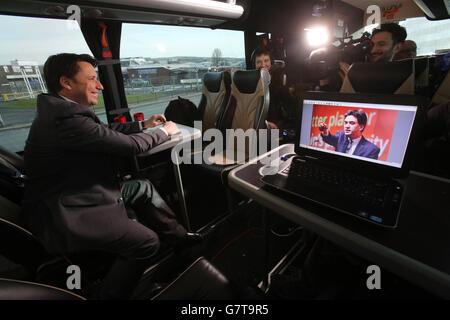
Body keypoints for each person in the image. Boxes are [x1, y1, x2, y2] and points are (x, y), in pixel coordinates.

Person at [22, 53, 202, 299]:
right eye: (92, 79)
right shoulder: (65, 119)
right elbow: (130, 147)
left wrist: (142, 125)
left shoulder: (61, 110)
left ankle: (180, 239)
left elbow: (102, 131)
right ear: (66, 82)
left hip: (78, 192)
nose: (100, 85)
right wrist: (165, 132)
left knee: (143, 187)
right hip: (72, 210)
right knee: (147, 244)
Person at [253, 47, 290, 130]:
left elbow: (287, 110)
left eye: (266, 61)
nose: (263, 65)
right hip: (257, 125)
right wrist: (265, 123)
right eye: (259, 62)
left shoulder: (279, 83)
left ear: (271, 62)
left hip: (277, 125)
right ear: (254, 64)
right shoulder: (251, 85)